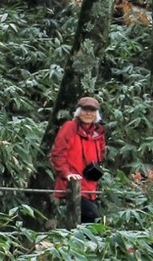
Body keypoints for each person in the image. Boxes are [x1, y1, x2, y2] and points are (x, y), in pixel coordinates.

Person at [50, 95, 106, 224]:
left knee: (87, 225)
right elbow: (57, 153)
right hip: (71, 186)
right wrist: (67, 173)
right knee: (95, 221)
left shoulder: (98, 132)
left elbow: (101, 156)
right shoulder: (69, 127)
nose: (88, 113)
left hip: (90, 187)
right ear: (78, 111)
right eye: (85, 109)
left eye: (92, 110)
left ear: (96, 114)